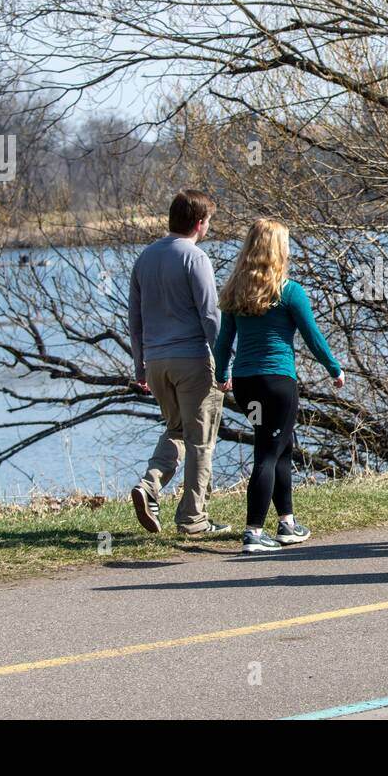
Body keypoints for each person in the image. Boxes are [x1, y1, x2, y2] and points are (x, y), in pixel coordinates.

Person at [214, 218, 344, 553]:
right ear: (279, 250)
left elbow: (223, 341)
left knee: (279, 447)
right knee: (268, 453)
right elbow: (313, 337)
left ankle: (286, 523)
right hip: (277, 384)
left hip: (246, 385)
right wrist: (334, 368)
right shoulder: (289, 291)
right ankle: (253, 533)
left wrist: (220, 374)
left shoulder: (234, 292)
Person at [127, 188, 230, 536]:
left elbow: (135, 321)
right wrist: (224, 362)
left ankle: (149, 485)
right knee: (201, 440)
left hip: (156, 363)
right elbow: (210, 316)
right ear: (199, 223)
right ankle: (193, 518)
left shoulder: (145, 258)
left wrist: (139, 367)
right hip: (192, 360)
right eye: (209, 223)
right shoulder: (195, 258)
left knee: (176, 431)